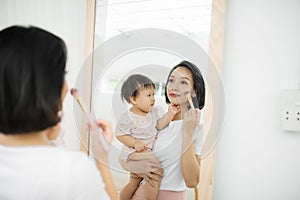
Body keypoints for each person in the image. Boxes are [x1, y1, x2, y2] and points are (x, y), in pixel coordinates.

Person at [0, 25, 122, 200]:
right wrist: (102, 159)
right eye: (63, 74)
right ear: (45, 87)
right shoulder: (73, 171)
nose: (66, 86)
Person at [120, 60, 205, 200]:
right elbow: (127, 153)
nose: (174, 87)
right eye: (171, 80)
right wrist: (134, 167)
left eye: (183, 82)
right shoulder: (156, 119)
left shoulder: (195, 126)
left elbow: (192, 181)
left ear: (194, 91)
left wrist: (187, 134)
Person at [116, 74, 180, 200]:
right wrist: (134, 143)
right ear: (134, 100)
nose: (153, 99)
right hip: (134, 152)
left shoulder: (153, 113)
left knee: (133, 183)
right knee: (156, 172)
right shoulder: (128, 117)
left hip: (145, 152)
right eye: (148, 95)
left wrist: (170, 113)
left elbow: (160, 125)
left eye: (153, 94)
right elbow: (120, 134)